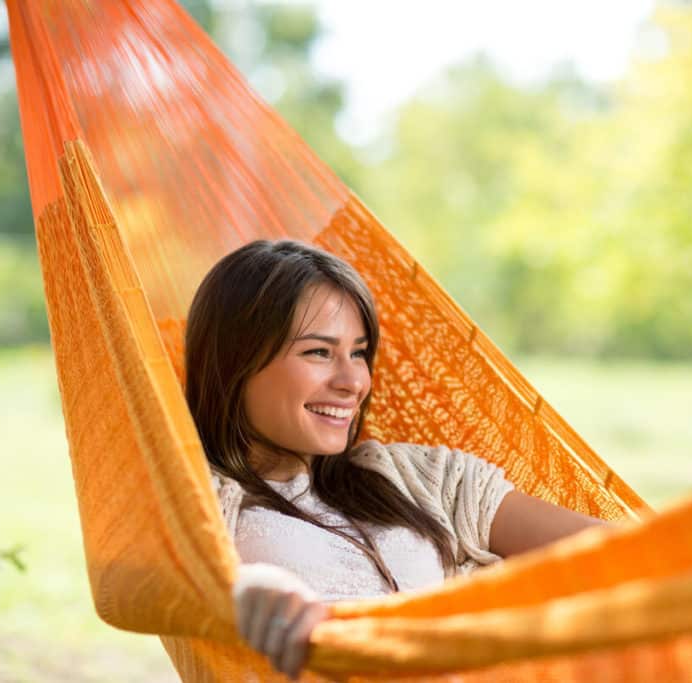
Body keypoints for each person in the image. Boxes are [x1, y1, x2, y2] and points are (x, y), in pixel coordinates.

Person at [184, 239, 606, 679]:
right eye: (319, 352)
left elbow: (620, 555)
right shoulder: (196, 501)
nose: (354, 382)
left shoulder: (421, 478)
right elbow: (143, 580)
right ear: (236, 362)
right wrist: (254, 591)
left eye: (359, 353)